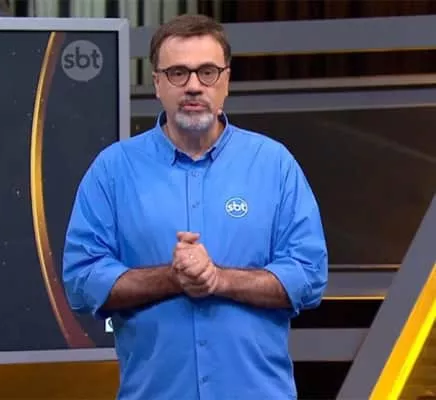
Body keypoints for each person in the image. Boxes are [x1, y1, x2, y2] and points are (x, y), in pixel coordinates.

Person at [62, 13, 328, 400]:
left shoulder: (274, 165)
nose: (193, 86)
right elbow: (82, 280)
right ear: (157, 83)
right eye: (177, 73)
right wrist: (172, 278)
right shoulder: (113, 170)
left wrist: (218, 279)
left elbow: (309, 275)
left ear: (226, 81)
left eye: (207, 72)